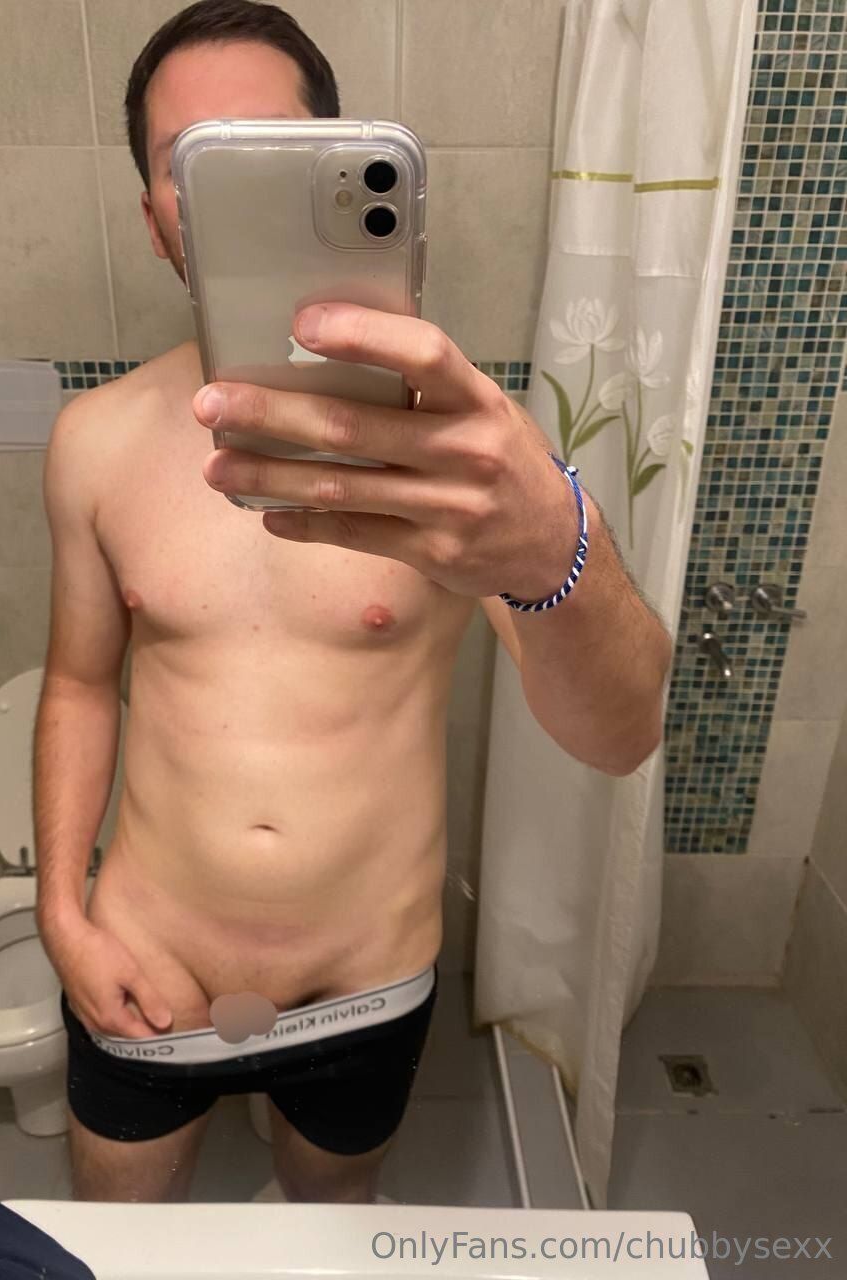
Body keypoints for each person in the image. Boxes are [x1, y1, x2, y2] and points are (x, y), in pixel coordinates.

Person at [34, 0, 672, 1207]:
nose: (224, 194)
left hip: (365, 980)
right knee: (118, 1242)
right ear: (157, 220)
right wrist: (61, 910)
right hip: (141, 965)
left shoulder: (463, 455)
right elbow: (75, 683)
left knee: (328, 1220)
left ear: (336, 168)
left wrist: (556, 545)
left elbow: (622, 731)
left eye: (266, 152)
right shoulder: (95, 441)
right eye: (191, 165)